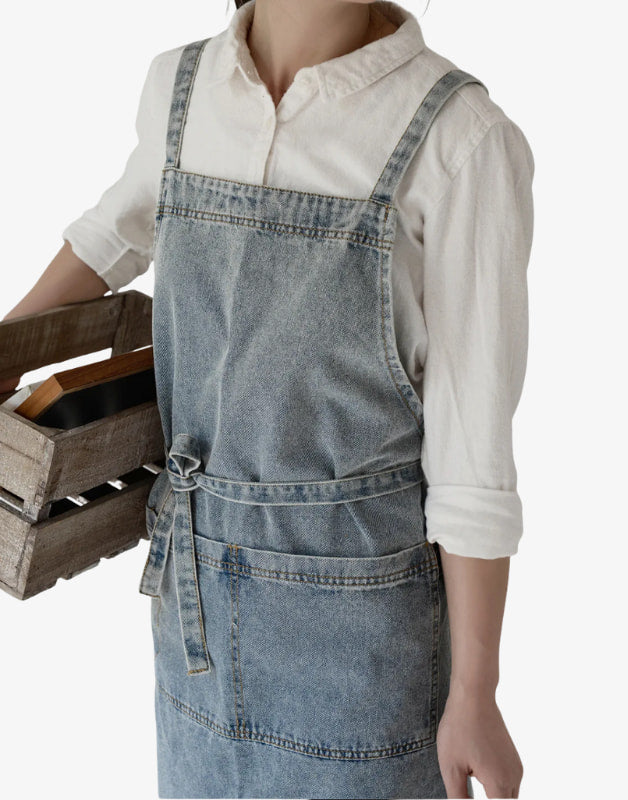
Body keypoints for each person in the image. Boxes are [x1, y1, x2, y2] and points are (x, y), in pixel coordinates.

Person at [1, 1, 533, 797]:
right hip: (193, 614)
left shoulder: (459, 138)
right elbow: (112, 234)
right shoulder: (181, 89)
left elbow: (471, 456)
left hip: (363, 643)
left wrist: (475, 693)